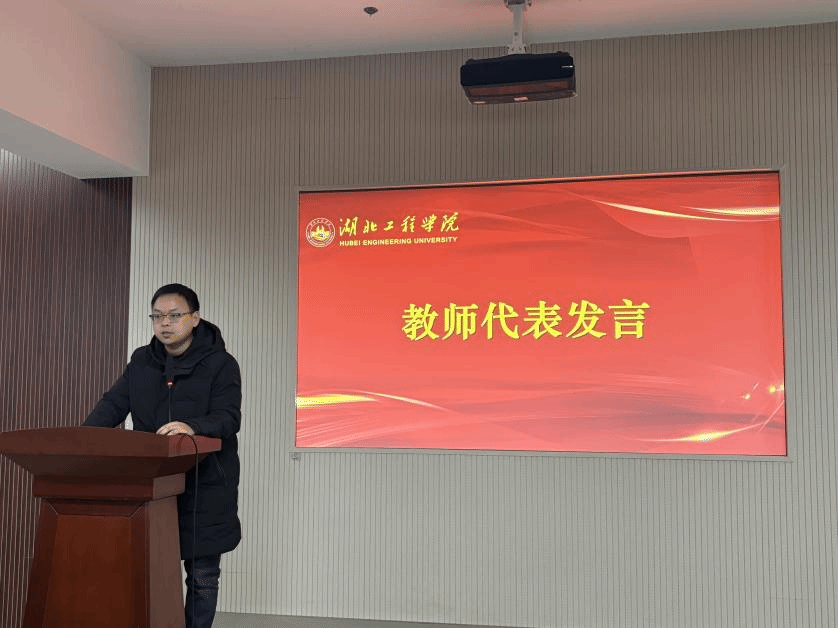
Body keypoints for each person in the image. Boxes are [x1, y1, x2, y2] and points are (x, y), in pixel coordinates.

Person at [84, 283, 241, 628]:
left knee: (202, 575)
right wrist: (82, 438)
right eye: (157, 317)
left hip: (205, 485)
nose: (164, 323)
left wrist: (192, 426)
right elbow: (113, 404)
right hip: (152, 485)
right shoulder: (142, 361)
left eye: (173, 315)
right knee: (152, 570)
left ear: (195, 318)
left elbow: (229, 418)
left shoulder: (221, 364)